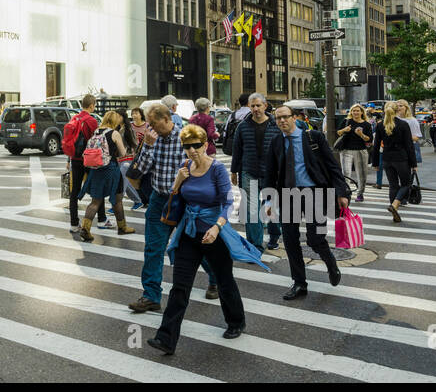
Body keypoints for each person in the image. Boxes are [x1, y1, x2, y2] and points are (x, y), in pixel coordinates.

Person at [146, 128, 252, 351]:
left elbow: (228, 202)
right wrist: (177, 184)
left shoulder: (216, 169)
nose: (192, 150)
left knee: (224, 280)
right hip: (189, 233)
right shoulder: (184, 168)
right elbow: (176, 202)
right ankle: (166, 339)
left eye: (196, 145)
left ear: (205, 145)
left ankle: (236, 321)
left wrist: (216, 227)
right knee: (180, 287)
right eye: (187, 146)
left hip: (214, 234)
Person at [268, 106, 349, 300]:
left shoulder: (313, 137)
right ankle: (299, 283)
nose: (282, 121)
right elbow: (270, 173)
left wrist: (341, 192)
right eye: (278, 119)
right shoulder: (276, 142)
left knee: (315, 238)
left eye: (285, 117)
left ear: (294, 118)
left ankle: (330, 263)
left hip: (315, 192)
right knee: (290, 239)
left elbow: (332, 165)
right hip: (288, 194)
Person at [128, 103, 190, 314]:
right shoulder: (151, 139)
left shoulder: (185, 137)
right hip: (158, 199)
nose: (150, 128)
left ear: (166, 119)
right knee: (153, 247)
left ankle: (214, 280)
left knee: (196, 245)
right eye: (149, 124)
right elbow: (142, 169)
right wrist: (148, 145)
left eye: (153, 123)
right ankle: (151, 295)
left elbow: (199, 166)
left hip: (183, 200)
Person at [229, 93, 283, 251]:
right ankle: (255, 245)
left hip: (271, 174)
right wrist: (234, 171)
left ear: (265, 106)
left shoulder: (276, 125)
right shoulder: (243, 126)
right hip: (249, 171)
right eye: (252, 106)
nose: (255, 109)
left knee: (270, 206)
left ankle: (274, 236)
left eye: (258, 105)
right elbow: (237, 151)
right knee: (251, 209)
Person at [76, 112, 137, 240]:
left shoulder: (96, 132)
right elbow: (122, 153)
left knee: (95, 201)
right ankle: (122, 227)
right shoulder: (114, 133)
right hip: (111, 169)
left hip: (96, 169)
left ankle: (85, 228)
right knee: (117, 198)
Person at [370, 101, 416, 223]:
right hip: (401, 158)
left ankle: (394, 211)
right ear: (397, 110)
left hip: (386, 158)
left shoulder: (380, 125)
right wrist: (414, 164)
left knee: (393, 185)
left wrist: (375, 163)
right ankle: (395, 205)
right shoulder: (403, 124)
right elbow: (409, 146)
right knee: (405, 184)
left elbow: (376, 146)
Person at [66, 95, 104, 231]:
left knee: (74, 191)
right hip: (89, 160)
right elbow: (96, 142)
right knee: (98, 189)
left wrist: (69, 159)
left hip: (75, 159)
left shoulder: (74, 118)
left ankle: (74, 224)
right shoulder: (91, 121)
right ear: (92, 105)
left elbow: (71, 141)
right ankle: (101, 219)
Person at [335, 104, 373, 202]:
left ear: (361, 112)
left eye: (357, 111)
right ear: (351, 112)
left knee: (362, 174)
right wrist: (345, 130)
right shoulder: (346, 121)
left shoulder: (366, 124)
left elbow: (369, 139)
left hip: (361, 150)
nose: (355, 112)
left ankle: (360, 194)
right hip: (346, 150)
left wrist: (361, 135)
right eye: (353, 111)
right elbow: (338, 132)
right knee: (346, 173)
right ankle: (346, 193)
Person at [397, 99, 424, 165]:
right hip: (397, 149)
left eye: (401, 106)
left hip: (409, 147)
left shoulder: (412, 120)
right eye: (397, 106)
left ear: (406, 108)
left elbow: (416, 138)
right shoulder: (394, 119)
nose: (398, 108)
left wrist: (403, 136)